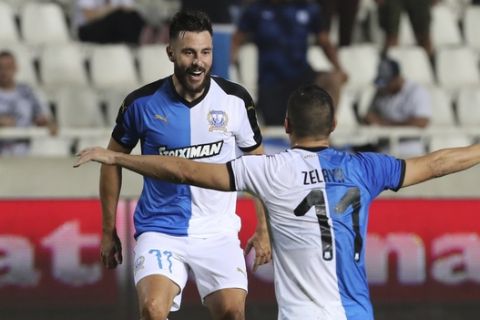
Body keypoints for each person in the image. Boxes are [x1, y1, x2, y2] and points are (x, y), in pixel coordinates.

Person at [75, 83, 480, 319]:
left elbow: (183, 170)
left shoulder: (269, 171)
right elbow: (439, 163)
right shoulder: (366, 168)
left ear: (285, 126)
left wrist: (118, 157)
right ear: (334, 126)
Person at [95, 10, 270, 320]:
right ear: (171, 52)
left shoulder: (235, 100)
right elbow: (111, 162)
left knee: (232, 312)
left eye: (205, 52)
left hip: (218, 232)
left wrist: (264, 227)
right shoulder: (141, 104)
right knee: (152, 311)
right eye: (189, 52)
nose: (198, 61)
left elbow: (257, 164)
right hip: (161, 229)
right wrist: (108, 230)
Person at [231, 0, 347, 126]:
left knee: (333, 79)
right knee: (280, 126)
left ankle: (324, 131)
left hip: (302, 78)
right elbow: (236, 40)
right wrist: (229, 66)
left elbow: (324, 41)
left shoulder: (308, 8)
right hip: (271, 83)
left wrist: (339, 68)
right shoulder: (256, 9)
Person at [362, 57, 432, 156]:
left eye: (388, 82)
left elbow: (421, 122)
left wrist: (383, 123)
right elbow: (370, 116)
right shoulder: (381, 91)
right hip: (382, 150)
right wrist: (369, 119)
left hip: (409, 151)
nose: (385, 86)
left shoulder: (417, 91)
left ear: (397, 78)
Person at [0, 50, 57, 156]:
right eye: (1, 67)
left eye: (8, 67)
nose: (4, 71)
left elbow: (41, 118)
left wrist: (48, 123)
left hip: (24, 156)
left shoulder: (27, 92)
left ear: (16, 68)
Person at [73, 0, 150, 45]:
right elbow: (89, 16)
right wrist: (111, 8)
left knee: (133, 16)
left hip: (111, 28)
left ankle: (145, 38)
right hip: (87, 30)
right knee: (118, 16)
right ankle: (141, 40)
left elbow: (129, 8)